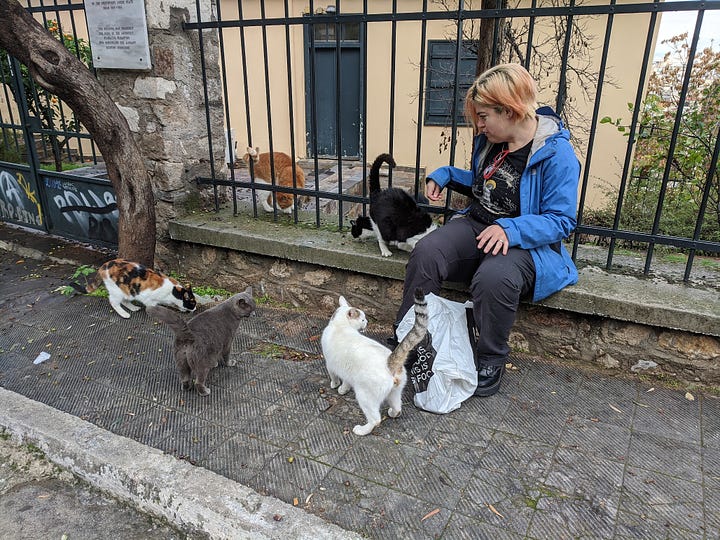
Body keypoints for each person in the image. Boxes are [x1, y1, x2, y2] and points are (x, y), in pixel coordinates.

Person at [395, 63, 580, 397]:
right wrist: (447, 174)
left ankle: (490, 358)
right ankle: (410, 335)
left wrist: (510, 229)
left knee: (494, 278)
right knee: (427, 251)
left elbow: (561, 221)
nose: (478, 126)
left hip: (524, 244)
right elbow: (488, 187)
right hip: (479, 224)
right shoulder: (492, 141)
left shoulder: (556, 154)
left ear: (509, 110)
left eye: (483, 116)